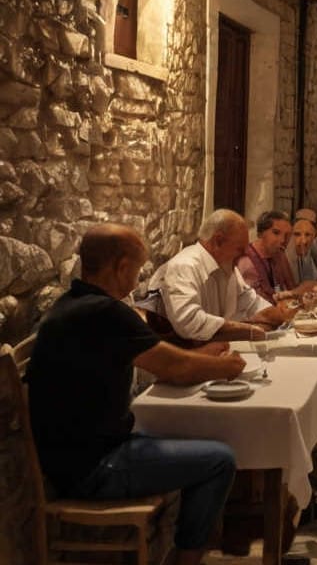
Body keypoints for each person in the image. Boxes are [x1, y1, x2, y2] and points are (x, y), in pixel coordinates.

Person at [27, 224, 244, 565]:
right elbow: (174, 369)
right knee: (220, 459)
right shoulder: (105, 312)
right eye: (138, 268)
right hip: (94, 468)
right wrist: (226, 367)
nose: (138, 277)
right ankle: (187, 559)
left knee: (195, 436)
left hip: (72, 459)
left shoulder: (75, 304)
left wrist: (205, 356)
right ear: (121, 267)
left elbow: (161, 357)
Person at [145, 209, 294, 342]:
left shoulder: (228, 268)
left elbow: (253, 304)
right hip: (184, 359)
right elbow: (189, 323)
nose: (245, 254)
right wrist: (247, 331)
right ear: (218, 241)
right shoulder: (185, 266)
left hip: (214, 352)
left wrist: (290, 320)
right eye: (239, 249)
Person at [237, 210, 295, 304]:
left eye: (287, 235)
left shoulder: (279, 255)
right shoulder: (247, 262)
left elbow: (290, 288)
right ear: (261, 233)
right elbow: (254, 304)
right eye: (276, 233)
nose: (283, 240)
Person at [285, 217, 317, 286]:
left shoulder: (308, 255)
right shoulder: (282, 258)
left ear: (314, 237)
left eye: (307, 235)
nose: (303, 241)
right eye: (297, 234)